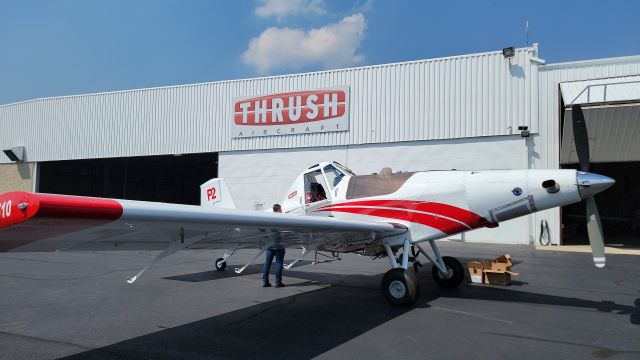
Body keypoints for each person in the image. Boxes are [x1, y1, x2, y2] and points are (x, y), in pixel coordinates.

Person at [262, 204, 286, 288]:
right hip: (279, 245)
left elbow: (261, 228)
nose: (282, 210)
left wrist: (266, 236)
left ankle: (265, 281)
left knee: (267, 263)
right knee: (279, 263)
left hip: (269, 245)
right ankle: (278, 282)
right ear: (279, 209)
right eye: (281, 209)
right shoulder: (282, 218)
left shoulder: (269, 218)